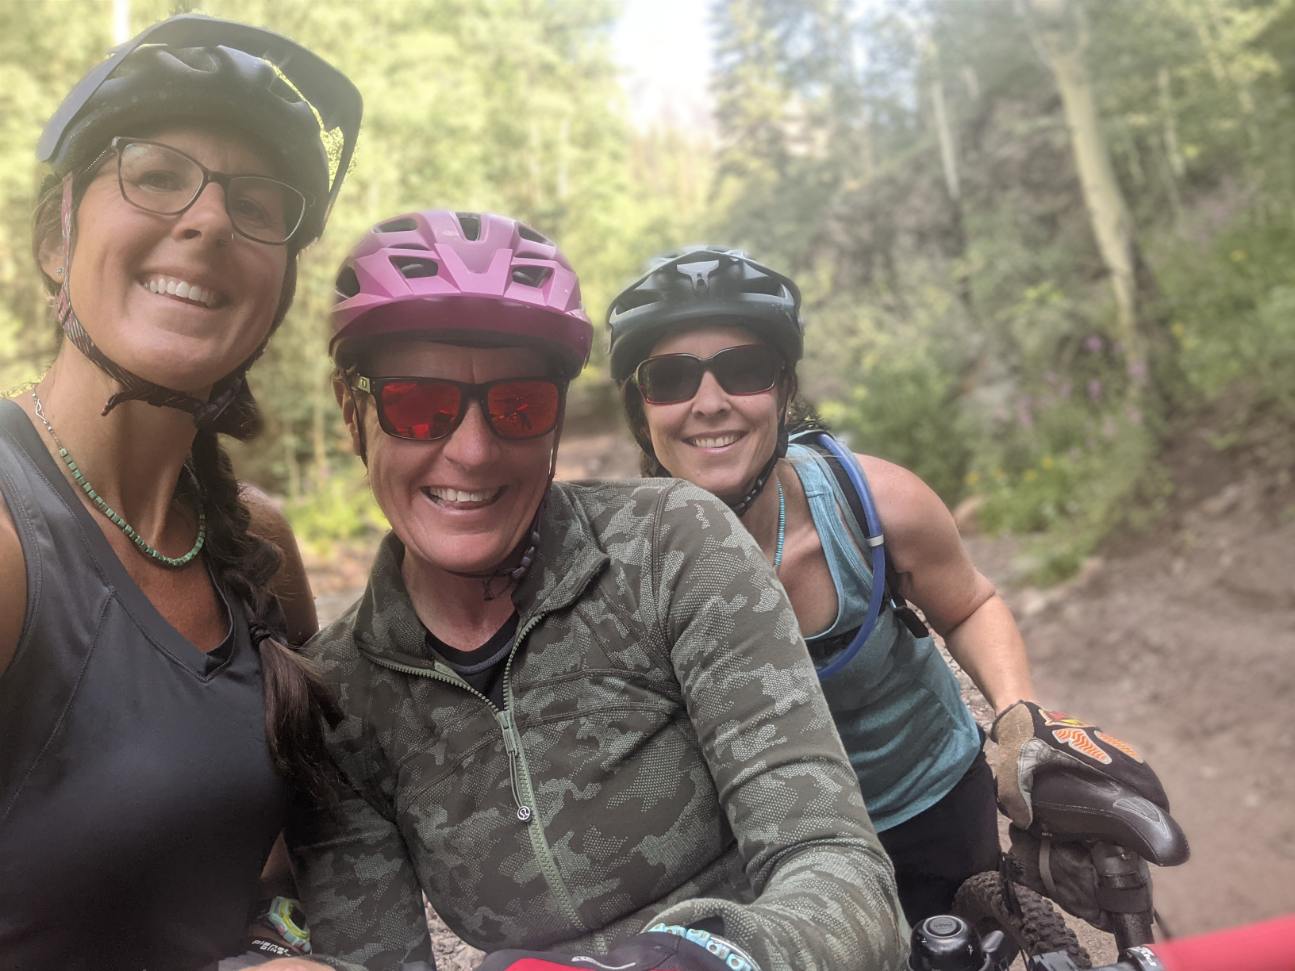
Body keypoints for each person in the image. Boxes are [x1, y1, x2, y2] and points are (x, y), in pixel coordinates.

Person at [284, 209, 909, 971]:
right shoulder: (338, 696)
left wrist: (699, 961)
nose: (473, 451)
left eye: (519, 405)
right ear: (355, 416)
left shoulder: (669, 544)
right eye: (418, 406)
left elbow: (838, 864)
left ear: (553, 424)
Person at [606, 247, 1170, 924]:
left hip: (926, 801)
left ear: (784, 391)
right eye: (670, 378)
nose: (708, 403)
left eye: (744, 369)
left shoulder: (873, 505)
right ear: (642, 410)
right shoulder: (616, 570)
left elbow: (969, 604)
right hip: (770, 850)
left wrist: (1018, 714)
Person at [0, 15, 361, 968]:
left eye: (256, 201)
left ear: (277, 286)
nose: (205, 220)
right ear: (55, 238)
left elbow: (266, 861)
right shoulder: (8, 539)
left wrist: (268, 940)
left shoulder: (256, 547)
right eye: (155, 175)